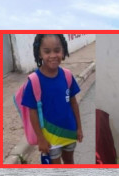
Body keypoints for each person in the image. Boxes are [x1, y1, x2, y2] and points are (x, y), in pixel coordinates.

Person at [22, 34, 83, 164]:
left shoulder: (67, 76)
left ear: (63, 51)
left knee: (69, 163)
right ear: (39, 54)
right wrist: (41, 139)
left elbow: (73, 103)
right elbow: (32, 113)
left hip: (69, 132)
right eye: (47, 51)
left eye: (57, 50)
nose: (53, 55)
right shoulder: (34, 81)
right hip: (50, 137)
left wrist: (79, 128)